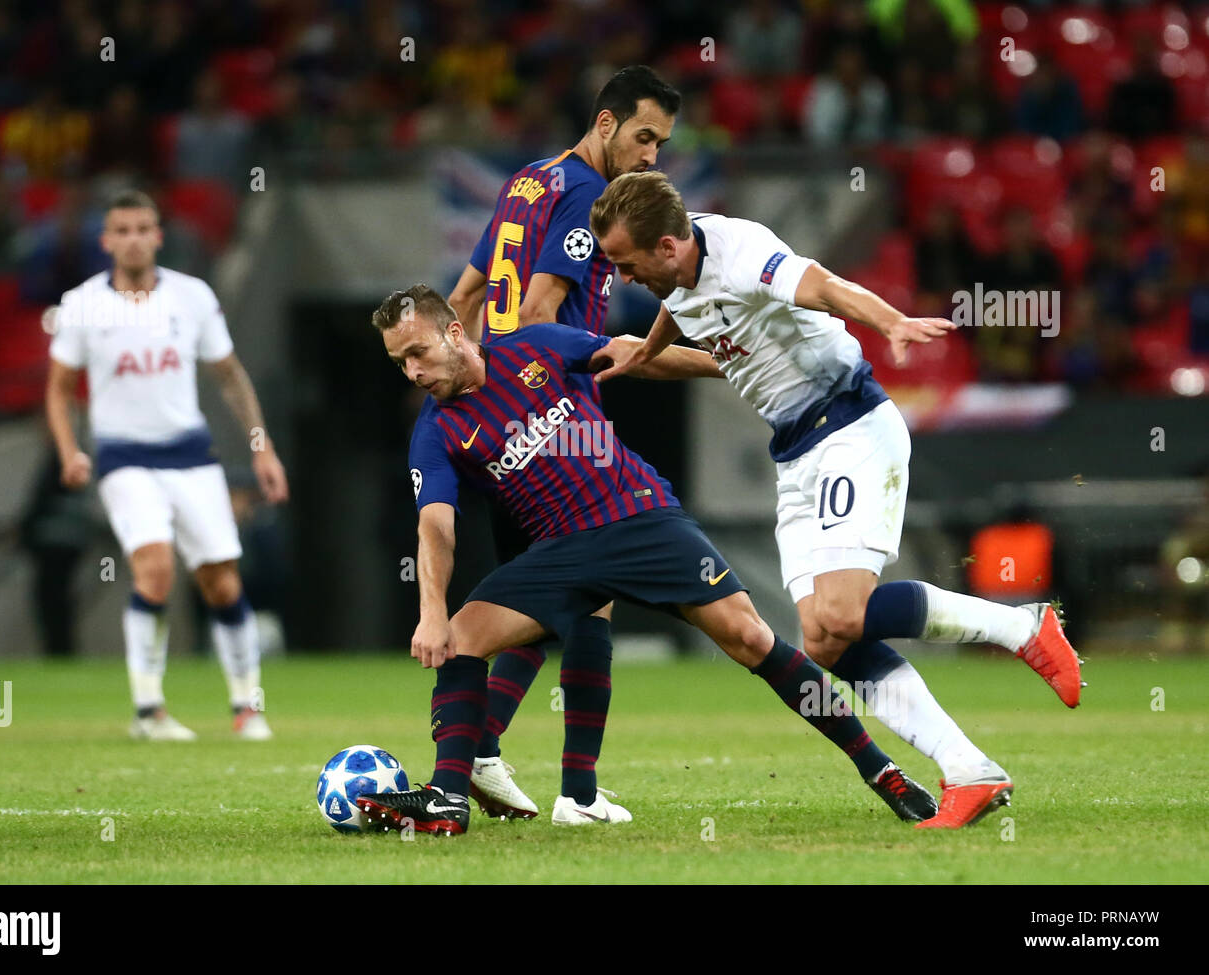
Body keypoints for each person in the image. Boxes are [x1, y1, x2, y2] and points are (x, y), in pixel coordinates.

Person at [588, 171, 1083, 828]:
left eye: (626, 263)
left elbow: (818, 282)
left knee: (844, 614)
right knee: (822, 639)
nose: (621, 277)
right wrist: (646, 351)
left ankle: (1022, 626)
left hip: (849, 427)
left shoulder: (738, 250)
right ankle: (970, 769)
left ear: (669, 247)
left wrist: (891, 319)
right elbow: (691, 318)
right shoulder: (680, 271)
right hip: (794, 453)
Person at [356, 284, 937, 835]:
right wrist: (432, 609)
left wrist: (731, 365)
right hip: (559, 550)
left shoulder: (537, 346)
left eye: (418, 352)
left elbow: (632, 354)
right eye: (399, 362)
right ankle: (448, 800)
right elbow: (436, 524)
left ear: (455, 333)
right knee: (457, 642)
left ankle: (881, 771)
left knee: (753, 640)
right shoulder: (434, 432)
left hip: (641, 520)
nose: (413, 371)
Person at [442, 65, 680, 820]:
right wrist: (563, 383)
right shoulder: (584, 193)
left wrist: (469, 388)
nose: (652, 157)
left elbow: (464, 298)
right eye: (644, 137)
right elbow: (542, 306)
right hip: (553, 415)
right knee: (586, 590)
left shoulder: (527, 181)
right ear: (605, 125)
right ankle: (539, 774)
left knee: (563, 594)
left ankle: (513, 761)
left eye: (663, 143)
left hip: (499, 409)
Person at [45, 189, 289, 741]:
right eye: (121, 230)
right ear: (106, 241)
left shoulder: (192, 297)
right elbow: (58, 391)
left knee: (222, 583)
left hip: (190, 457)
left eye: (142, 228)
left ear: (158, 235)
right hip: (123, 458)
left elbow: (230, 376)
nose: (133, 239)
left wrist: (261, 446)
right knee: (154, 571)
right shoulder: (82, 304)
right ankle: (148, 710)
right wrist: (69, 451)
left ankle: (246, 706)